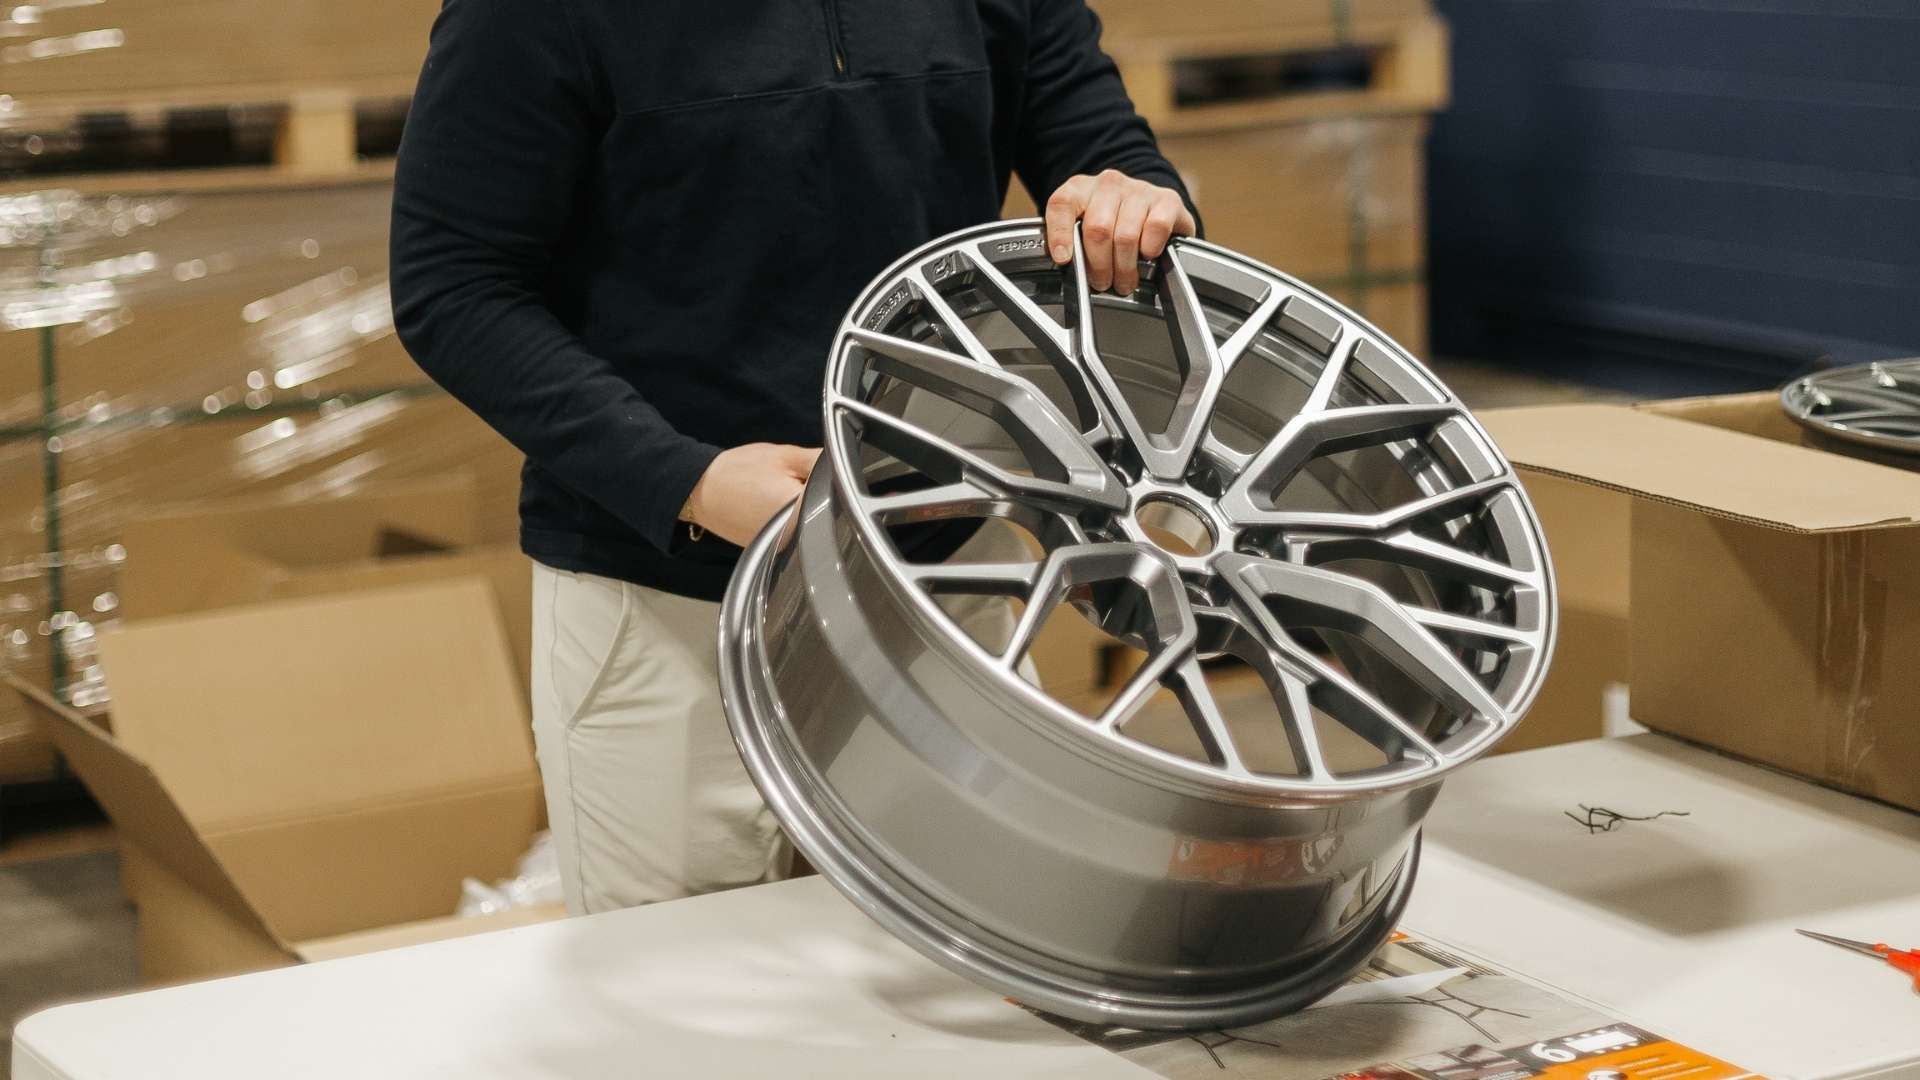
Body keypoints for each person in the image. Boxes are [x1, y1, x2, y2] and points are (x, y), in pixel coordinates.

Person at [390, 0, 1199, 916]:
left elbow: (1106, 158)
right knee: (686, 1015)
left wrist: (1135, 199)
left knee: (969, 991)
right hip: (670, 603)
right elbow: (451, 284)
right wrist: (685, 480)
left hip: (942, 578)